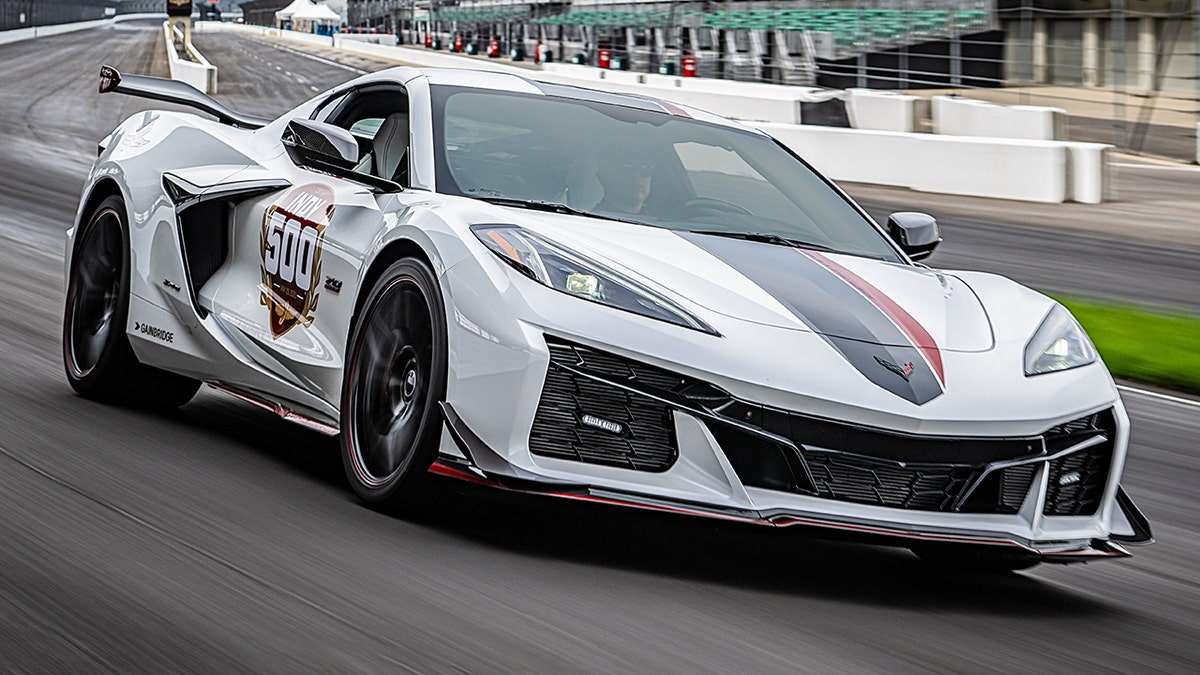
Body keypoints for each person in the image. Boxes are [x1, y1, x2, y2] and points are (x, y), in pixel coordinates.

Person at [594, 148, 655, 215]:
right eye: (626, 169)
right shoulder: (589, 222)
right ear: (603, 177)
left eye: (645, 169)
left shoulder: (661, 223)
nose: (637, 175)